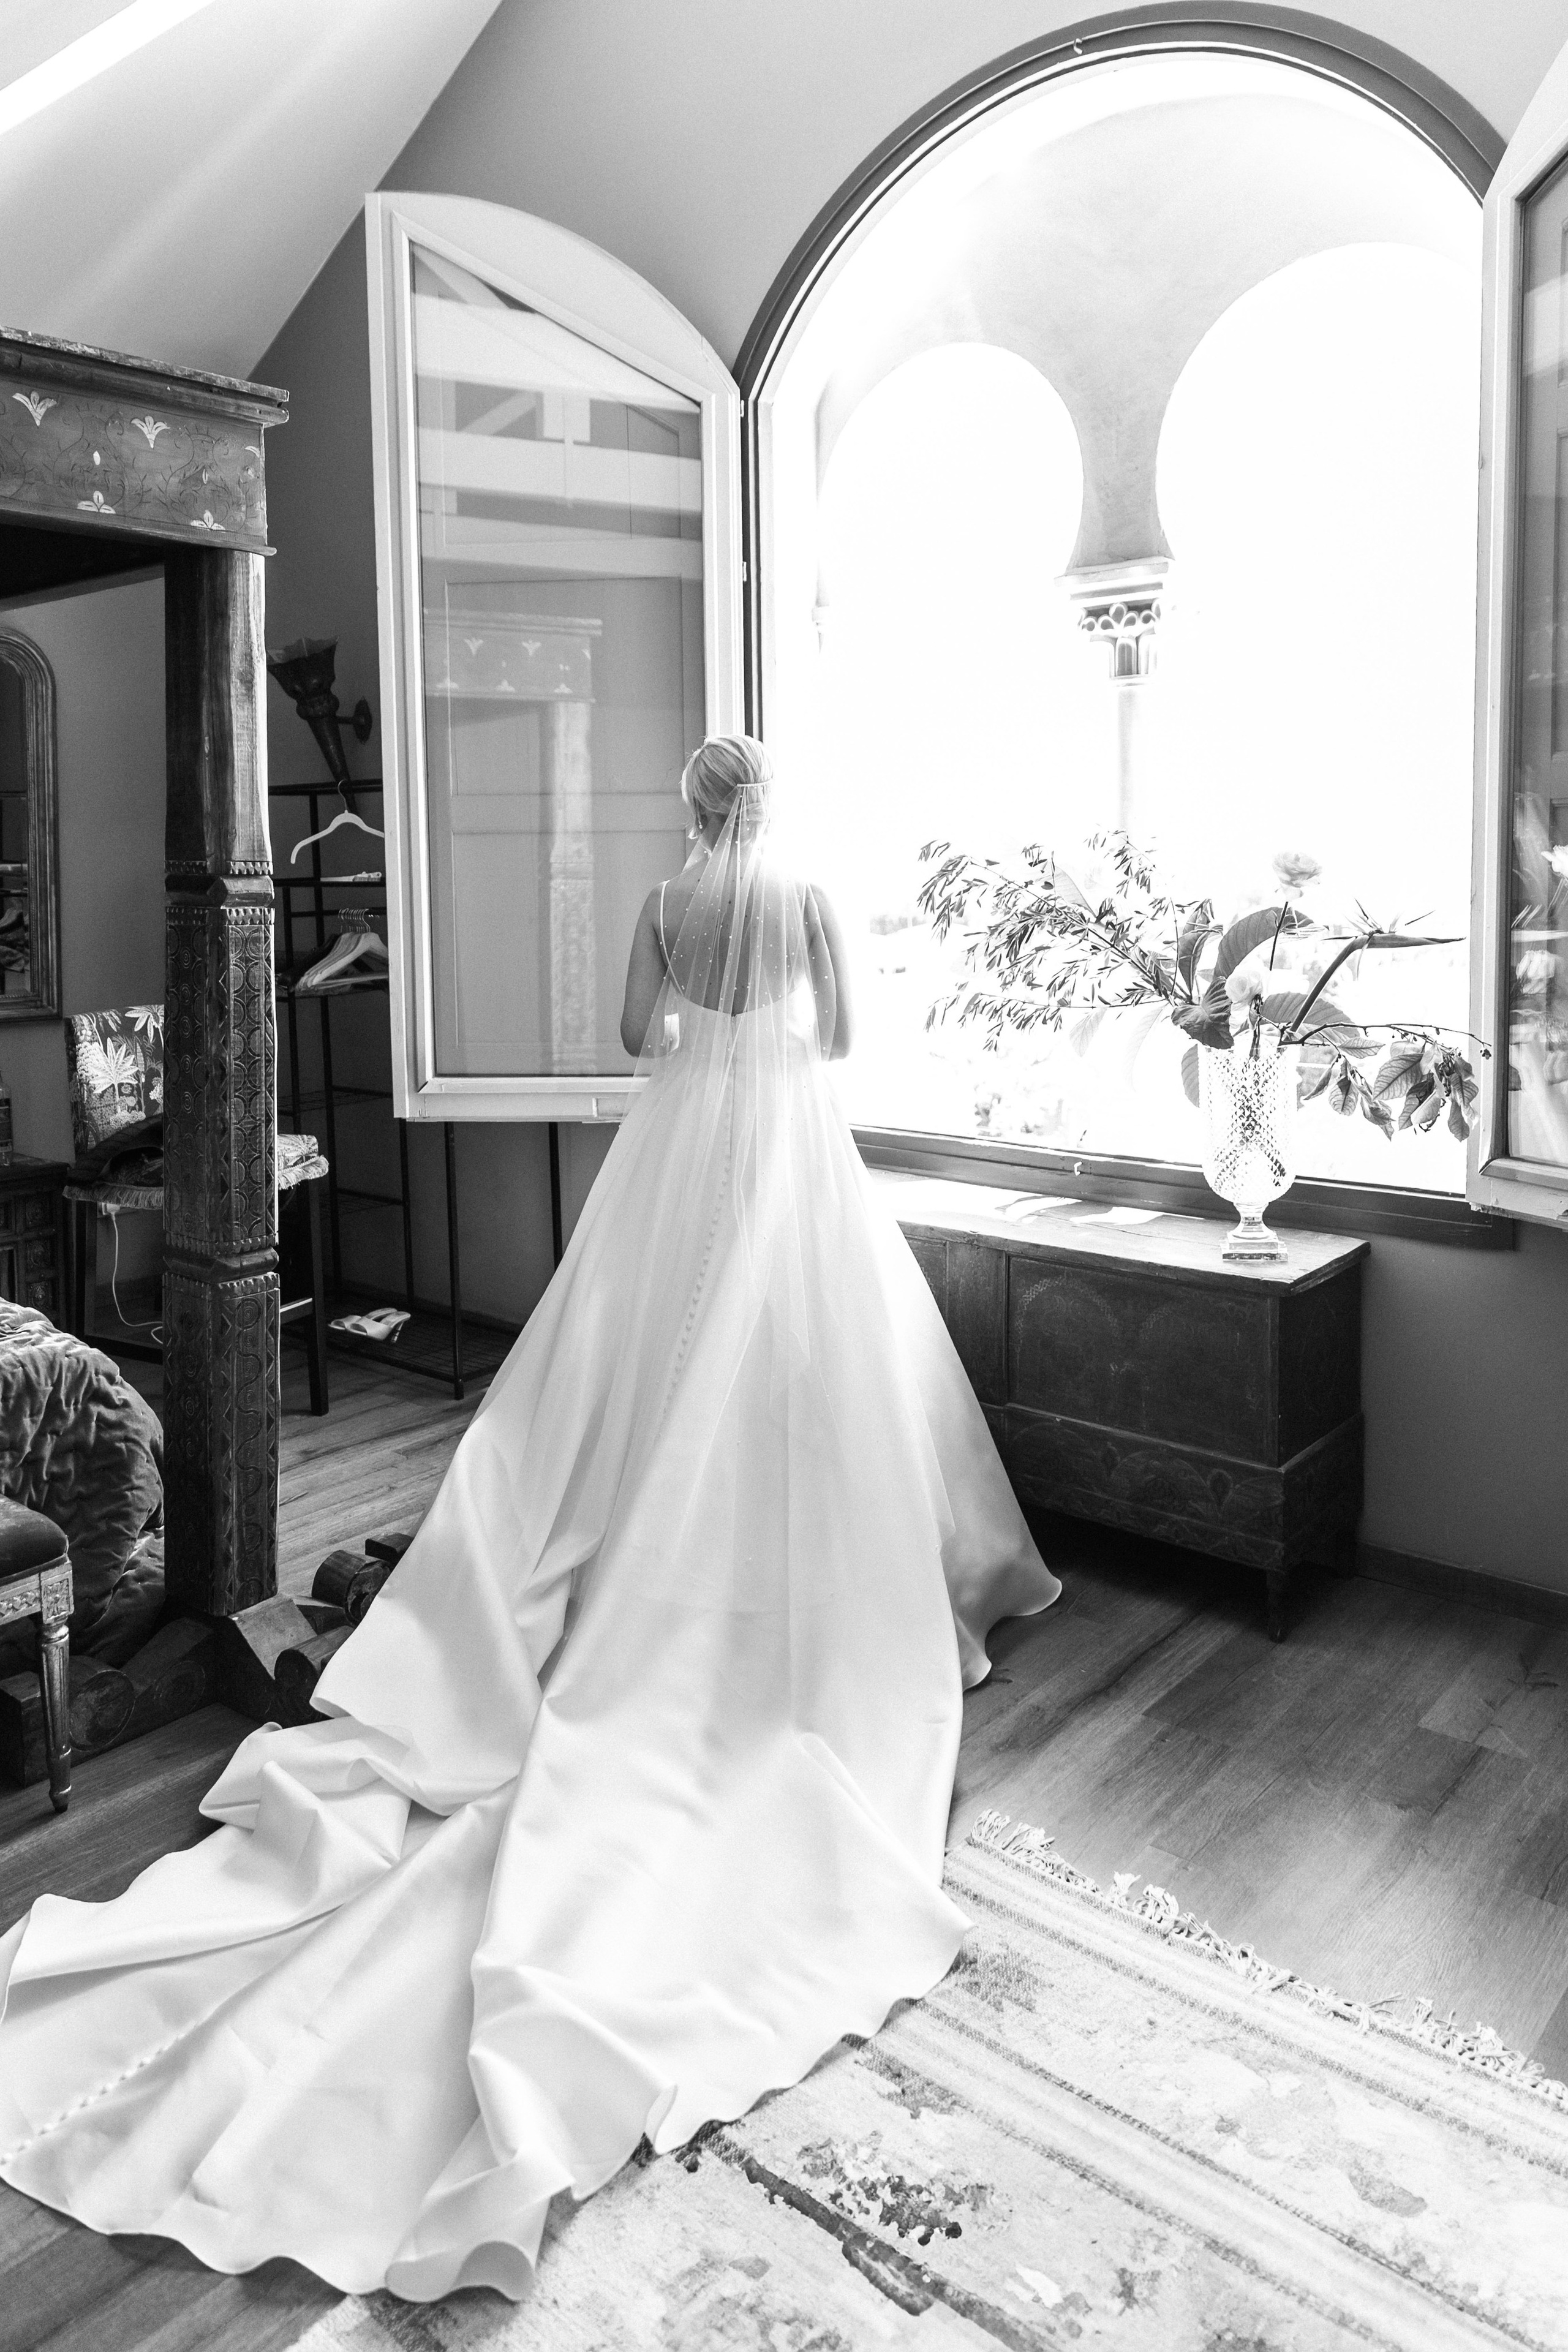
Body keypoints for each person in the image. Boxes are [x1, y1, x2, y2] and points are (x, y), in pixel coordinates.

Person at [0, 734, 1058, 2301]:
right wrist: (770, 1040)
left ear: (690, 809)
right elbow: (839, 1038)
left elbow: (643, 1037)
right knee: (813, 1376)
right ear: (769, 807)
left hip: (681, 1152)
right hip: (787, 1155)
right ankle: (805, 1584)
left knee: (626, 1381)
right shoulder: (811, 897)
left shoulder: (663, 899)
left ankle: (639, 1563)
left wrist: (702, 1032)